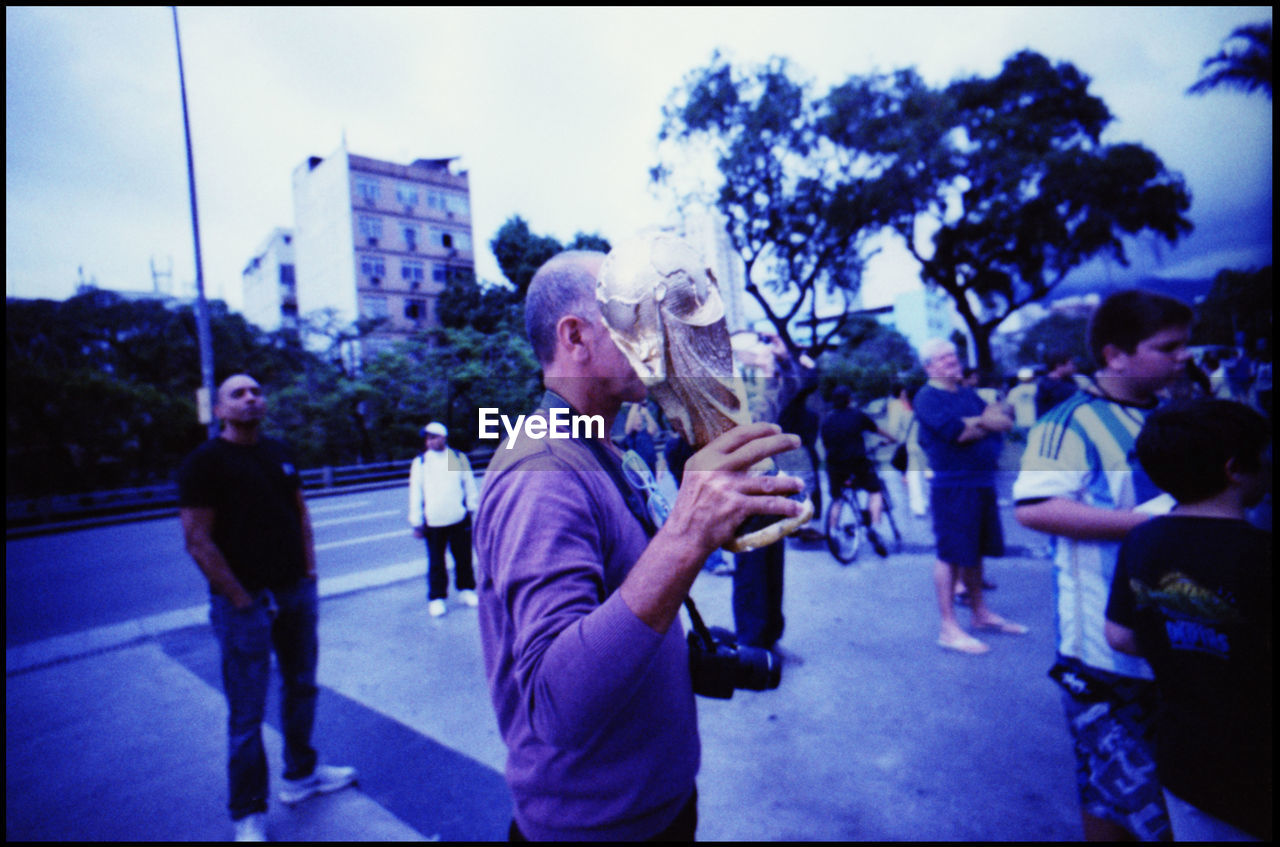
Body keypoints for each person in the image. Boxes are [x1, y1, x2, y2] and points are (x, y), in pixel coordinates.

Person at [473, 250, 805, 841]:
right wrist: (684, 536)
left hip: (653, 807)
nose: (660, 337)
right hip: (599, 828)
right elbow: (557, 701)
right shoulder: (541, 471)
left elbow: (629, 589)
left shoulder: (600, 445)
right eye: (637, 318)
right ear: (574, 336)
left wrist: (705, 535)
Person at [1013, 289, 1194, 842]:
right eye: (1168, 347)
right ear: (1116, 355)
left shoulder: (1175, 417)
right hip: (1102, 652)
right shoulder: (1068, 423)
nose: (1183, 357)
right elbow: (1035, 509)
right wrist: (1152, 524)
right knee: (1119, 796)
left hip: (1173, 640)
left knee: (1134, 791)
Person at [179, 374, 356, 842]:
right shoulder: (205, 463)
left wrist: (310, 573)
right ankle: (248, 812)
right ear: (219, 410)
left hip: (295, 591)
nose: (251, 397)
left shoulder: (279, 452)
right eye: (237, 393)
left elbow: (299, 513)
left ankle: (302, 776)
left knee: (301, 688)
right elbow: (196, 540)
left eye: (256, 391)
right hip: (244, 604)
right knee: (247, 711)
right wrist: (240, 599)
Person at [1104, 399, 1272, 841]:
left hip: (1185, 761)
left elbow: (1119, 634)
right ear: (1236, 469)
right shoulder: (1260, 554)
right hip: (1257, 763)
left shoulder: (1141, 536)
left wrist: (1180, 639)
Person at [914, 339, 1026, 655]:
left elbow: (1003, 421)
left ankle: (980, 613)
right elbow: (956, 433)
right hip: (952, 486)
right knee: (950, 553)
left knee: (975, 549)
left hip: (980, 481)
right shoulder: (927, 397)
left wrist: (980, 424)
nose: (952, 361)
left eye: (953, 355)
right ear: (930, 366)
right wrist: (983, 424)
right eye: (943, 358)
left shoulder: (966, 393)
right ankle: (948, 628)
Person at [408, 421, 480, 618]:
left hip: (458, 517)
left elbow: (469, 485)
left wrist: (473, 509)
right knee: (436, 562)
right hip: (434, 521)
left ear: (443, 437)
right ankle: (437, 597)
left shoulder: (457, 458)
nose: (429, 441)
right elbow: (416, 493)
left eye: (433, 437)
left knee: (464, 557)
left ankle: (466, 590)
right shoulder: (421, 462)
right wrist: (416, 522)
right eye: (427, 438)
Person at [820, 384, 896, 557]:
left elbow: (825, 445)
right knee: (875, 491)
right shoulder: (858, 415)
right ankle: (875, 528)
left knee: (837, 499)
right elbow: (878, 430)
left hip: (835, 465)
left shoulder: (827, 421)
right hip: (857, 462)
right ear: (849, 399)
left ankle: (832, 533)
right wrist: (892, 439)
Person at [1035, 350, 1079, 420]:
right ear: (1058, 366)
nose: (1073, 367)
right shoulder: (1048, 387)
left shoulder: (1068, 382)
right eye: (1070, 364)